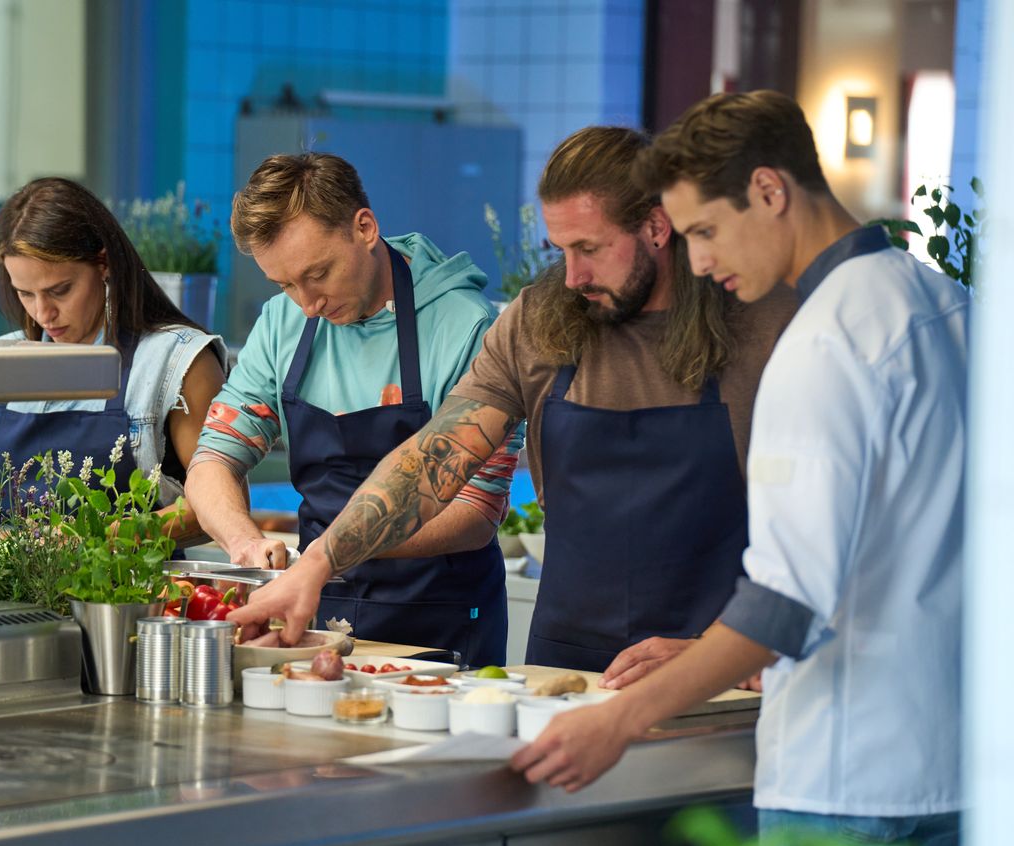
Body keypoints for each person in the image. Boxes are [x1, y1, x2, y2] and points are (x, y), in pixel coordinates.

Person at [511, 91, 965, 846]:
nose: (697, 261)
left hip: (846, 775)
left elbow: (783, 604)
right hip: (956, 765)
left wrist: (619, 718)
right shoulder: (948, 306)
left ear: (769, 190)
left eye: (705, 230)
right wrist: (705, 652)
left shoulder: (823, 344)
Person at [228, 128, 795, 678]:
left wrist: (724, 649)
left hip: (716, 666)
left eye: (590, 249)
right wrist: (321, 562)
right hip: (565, 659)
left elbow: (821, 532)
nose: (572, 277)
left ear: (656, 226)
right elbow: (431, 458)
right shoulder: (538, 322)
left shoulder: (762, 328)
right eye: (560, 250)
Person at [184, 152, 523, 667]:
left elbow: (475, 512)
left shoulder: (464, 326)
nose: (307, 304)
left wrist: (328, 556)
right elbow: (212, 460)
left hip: (441, 619)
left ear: (364, 227)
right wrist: (245, 542)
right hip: (315, 614)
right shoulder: (282, 323)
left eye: (318, 273)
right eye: (285, 284)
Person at [0, 177, 227, 549]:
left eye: (60, 290)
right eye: (25, 294)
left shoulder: (176, 361)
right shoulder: (6, 361)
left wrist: (93, 544)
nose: (44, 313)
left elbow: (219, 504)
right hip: (14, 595)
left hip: (128, 598)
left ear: (103, 263)